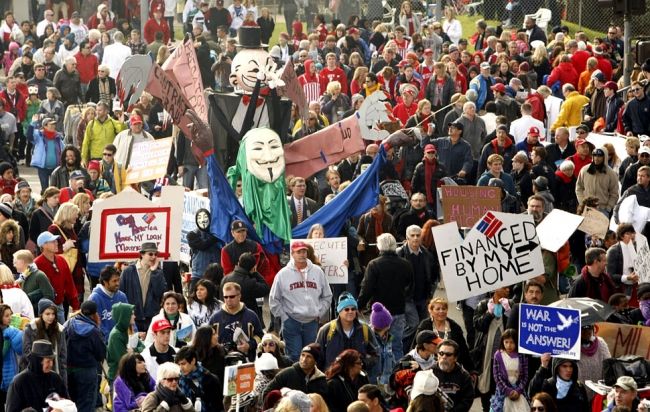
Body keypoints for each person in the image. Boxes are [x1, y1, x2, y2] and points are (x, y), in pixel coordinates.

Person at [270, 241, 332, 361]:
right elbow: (274, 300)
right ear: (292, 254)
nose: (302, 254)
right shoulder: (282, 274)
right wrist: (284, 317)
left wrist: (319, 313)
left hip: (312, 323)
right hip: (291, 322)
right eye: (299, 252)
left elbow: (327, 296)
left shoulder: (318, 272)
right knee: (294, 357)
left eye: (304, 251)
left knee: (312, 357)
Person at [358, 233, 412, 361]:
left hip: (379, 312)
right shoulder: (405, 264)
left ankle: (381, 372)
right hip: (398, 309)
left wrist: (359, 305)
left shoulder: (374, 264)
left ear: (379, 246)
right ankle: (398, 373)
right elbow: (410, 285)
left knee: (378, 344)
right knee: (396, 344)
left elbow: (367, 288)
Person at [473, 286, 513, 411]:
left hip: (505, 360)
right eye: (505, 288)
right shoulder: (483, 304)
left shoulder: (511, 305)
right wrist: (490, 313)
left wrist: (509, 312)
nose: (508, 290)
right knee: (487, 394)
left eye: (509, 288)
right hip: (487, 357)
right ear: (495, 288)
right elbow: (478, 325)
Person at [315, 293, 378, 371]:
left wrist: (362, 364)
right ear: (339, 311)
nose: (350, 312)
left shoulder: (365, 329)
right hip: (333, 378)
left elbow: (376, 354)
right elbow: (318, 357)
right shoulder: (326, 330)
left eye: (353, 309)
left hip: (357, 378)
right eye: (346, 309)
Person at [64, 300, 106, 412]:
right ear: (94, 314)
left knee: (71, 404)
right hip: (87, 372)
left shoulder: (69, 324)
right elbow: (101, 354)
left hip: (69, 370)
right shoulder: (94, 331)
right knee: (86, 404)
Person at [5, 340, 68, 412]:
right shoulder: (19, 382)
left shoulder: (56, 379)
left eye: (52, 360)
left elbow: (67, 402)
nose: (51, 364)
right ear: (37, 361)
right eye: (48, 361)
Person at [119, 242, 168, 332]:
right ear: (142, 254)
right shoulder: (128, 271)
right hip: (133, 318)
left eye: (155, 254)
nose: (154, 257)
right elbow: (121, 294)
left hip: (151, 318)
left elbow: (160, 293)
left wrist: (154, 272)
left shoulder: (158, 272)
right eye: (150, 254)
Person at [416, 297, 474, 372]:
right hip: (427, 367)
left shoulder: (454, 327)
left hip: (450, 368)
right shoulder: (425, 326)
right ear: (431, 311)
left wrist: (471, 370)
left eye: (444, 309)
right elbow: (417, 347)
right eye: (438, 309)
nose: (441, 311)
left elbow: (463, 350)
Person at [211, 282, 264, 361]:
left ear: (239, 296)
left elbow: (260, 336)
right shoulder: (215, 318)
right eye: (225, 297)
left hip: (246, 360)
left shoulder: (251, 315)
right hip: (222, 361)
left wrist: (249, 345)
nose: (228, 300)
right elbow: (208, 340)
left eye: (232, 297)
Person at [33, 231, 79, 322]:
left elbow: (69, 284)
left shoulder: (61, 260)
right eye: (52, 241)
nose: (57, 243)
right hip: (43, 310)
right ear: (44, 245)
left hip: (59, 306)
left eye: (56, 240)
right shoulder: (36, 264)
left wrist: (75, 306)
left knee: (61, 333)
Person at [390, 330, 441, 409]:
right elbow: (393, 383)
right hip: (410, 405)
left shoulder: (437, 358)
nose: (439, 345)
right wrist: (416, 372)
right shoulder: (406, 362)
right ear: (425, 345)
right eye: (435, 343)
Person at [22, 298, 67, 385]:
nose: (51, 317)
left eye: (53, 314)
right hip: (35, 374)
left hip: (54, 374)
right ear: (41, 314)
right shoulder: (31, 330)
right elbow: (27, 353)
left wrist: (64, 382)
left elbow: (63, 357)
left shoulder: (59, 330)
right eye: (47, 314)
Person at [264, 343, 328, 399]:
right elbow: (266, 393)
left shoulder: (321, 379)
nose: (304, 359)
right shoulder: (286, 374)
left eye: (309, 357)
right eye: (303, 355)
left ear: (315, 361)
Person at [220, 252, 269, 321]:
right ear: (253, 267)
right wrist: (255, 273)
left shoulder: (225, 278)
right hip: (246, 319)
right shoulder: (250, 283)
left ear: (238, 263)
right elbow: (266, 288)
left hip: (227, 317)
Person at [220, 220, 272, 284]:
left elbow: (265, 265)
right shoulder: (226, 250)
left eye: (243, 231)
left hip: (255, 283)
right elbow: (227, 272)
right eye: (238, 232)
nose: (241, 234)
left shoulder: (255, 246)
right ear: (232, 233)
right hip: (236, 284)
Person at [488, 329, 528, 412]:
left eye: (512, 342)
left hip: (518, 391)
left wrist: (518, 390)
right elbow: (497, 377)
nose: (509, 345)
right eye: (506, 342)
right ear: (502, 341)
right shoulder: (498, 355)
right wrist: (507, 391)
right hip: (503, 391)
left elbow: (525, 375)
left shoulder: (521, 355)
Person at [430, 339, 474, 412]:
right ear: (437, 355)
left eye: (448, 354)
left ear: (455, 358)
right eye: (441, 353)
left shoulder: (464, 376)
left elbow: (467, 400)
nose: (444, 357)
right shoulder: (429, 373)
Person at [176, 346, 223, 412]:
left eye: (183, 364)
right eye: (179, 364)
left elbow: (218, 407)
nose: (180, 368)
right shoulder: (178, 379)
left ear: (193, 361)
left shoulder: (210, 379)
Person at [575, 147, 619, 217]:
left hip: (602, 210)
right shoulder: (585, 170)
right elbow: (579, 187)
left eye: (599, 156)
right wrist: (582, 202)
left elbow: (614, 193)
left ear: (604, 157)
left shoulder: (611, 173)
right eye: (594, 155)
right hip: (586, 208)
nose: (596, 158)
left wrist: (608, 208)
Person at [107, 302, 145, 382]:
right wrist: (136, 351)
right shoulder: (116, 335)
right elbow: (125, 361)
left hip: (128, 376)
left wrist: (134, 350)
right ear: (123, 316)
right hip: (118, 378)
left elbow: (143, 347)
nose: (134, 317)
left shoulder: (128, 330)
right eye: (132, 314)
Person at [606, 223, 641, 303]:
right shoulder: (613, 251)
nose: (632, 236)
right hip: (620, 290)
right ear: (621, 236)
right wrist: (627, 277)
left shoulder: (636, 248)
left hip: (635, 287)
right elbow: (610, 275)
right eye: (628, 233)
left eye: (633, 233)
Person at [14, 249, 55, 315]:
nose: (14, 265)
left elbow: (49, 296)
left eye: (15, 262)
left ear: (22, 262)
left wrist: (30, 304)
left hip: (38, 316)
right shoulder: (23, 277)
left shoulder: (39, 275)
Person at [411, 145, 445, 216]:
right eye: (429, 152)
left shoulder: (441, 167)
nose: (431, 154)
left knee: (438, 216)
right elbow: (414, 184)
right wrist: (415, 196)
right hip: (423, 196)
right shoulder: (419, 167)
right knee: (425, 215)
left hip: (437, 197)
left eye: (432, 152)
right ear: (425, 153)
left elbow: (445, 182)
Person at [142, 319, 177, 383]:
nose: (166, 336)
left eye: (168, 332)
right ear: (154, 335)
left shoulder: (177, 353)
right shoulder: (145, 357)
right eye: (162, 332)